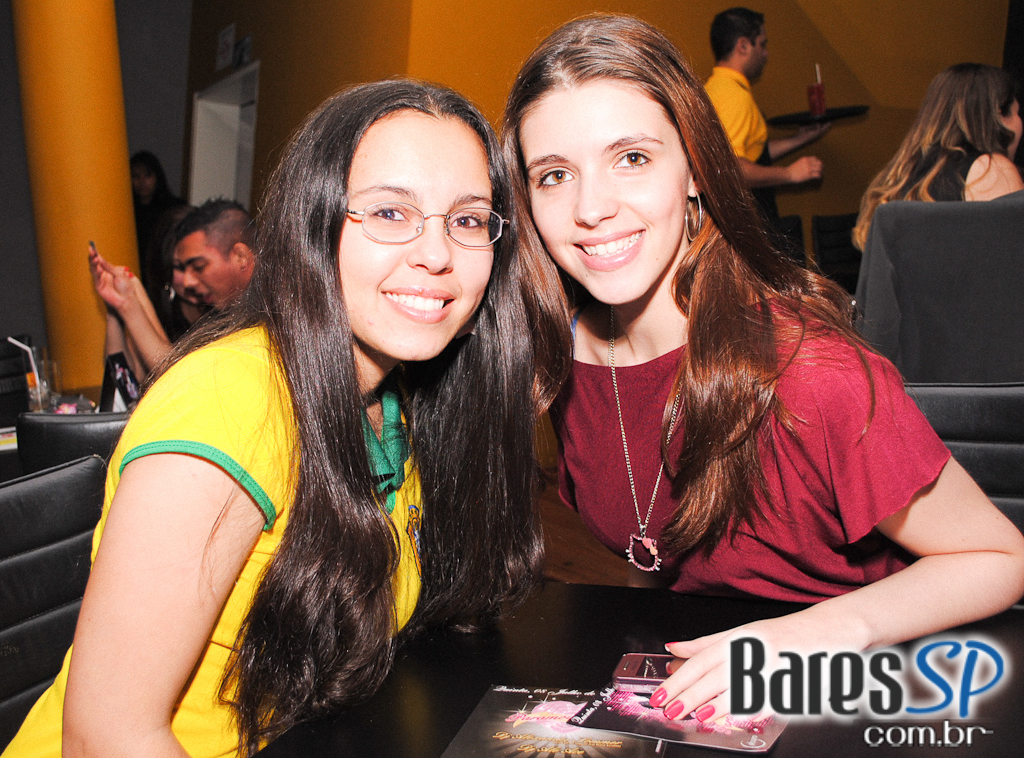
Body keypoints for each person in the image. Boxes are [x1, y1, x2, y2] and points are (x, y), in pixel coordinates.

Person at [5, 78, 564, 758]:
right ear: (313, 226)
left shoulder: (397, 398)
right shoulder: (232, 398)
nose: (438, 253)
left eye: (469, 220)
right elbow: (106, 738)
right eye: (391, 212)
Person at [503, 14, 1024, 726]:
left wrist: (822, 632)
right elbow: (660, 552)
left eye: (632, 158)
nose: (590, 208)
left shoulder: (810, 374)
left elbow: (1001, 557)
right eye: (555, 175)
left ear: (694, 169)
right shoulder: (563, 368)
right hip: (713, 691)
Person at [853, 63, 1024, 249]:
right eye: (1017, 112)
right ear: (999, 115)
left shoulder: (902, 172)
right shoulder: (990, 168)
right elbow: (1011, 256)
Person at [705, 7, 829, 222]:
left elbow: (752, 153)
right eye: (762, 44)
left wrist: (800, 139)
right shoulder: (734, 96)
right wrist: (789, 174)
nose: (765, 54)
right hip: (745, 221)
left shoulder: (715, 89)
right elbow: (732, 168)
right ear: (743, 46)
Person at [130, 150, 185, 279]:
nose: (142, 182)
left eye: (148, 175)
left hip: (163, 270)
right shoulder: (124, 210)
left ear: (157, 177)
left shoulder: (173, 208)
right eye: (136, 176)